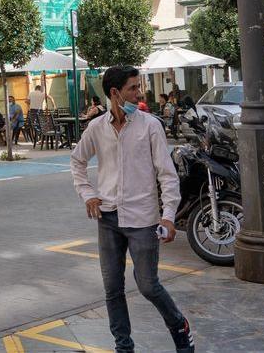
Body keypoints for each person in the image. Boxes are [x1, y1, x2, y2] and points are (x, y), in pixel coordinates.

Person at [70, 65, 193, 353]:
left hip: (143, 219)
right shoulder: (96, 128)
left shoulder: (150, 125)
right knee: (113, 289)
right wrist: (87, 193)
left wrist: (169, 215)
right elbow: (77, 161)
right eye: (133, 88)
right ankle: (123, 347)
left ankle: (179, 325)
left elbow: (167, 174)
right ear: (115, 93)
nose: (139, 93)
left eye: (139, 87)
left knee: (148, 285)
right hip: (108, 218)